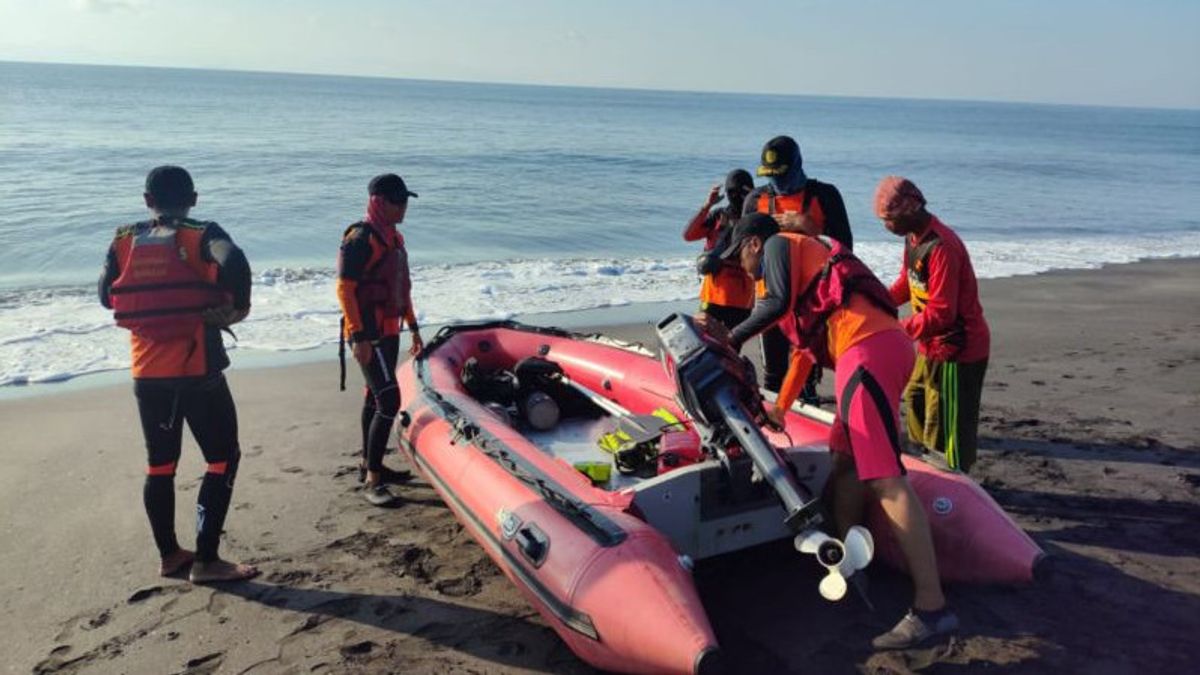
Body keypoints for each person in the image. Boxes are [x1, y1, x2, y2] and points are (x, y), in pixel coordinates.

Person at [698, 213, 958, 649]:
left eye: (738, 256)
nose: (741, 269)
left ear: (753, 245)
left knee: (885, 478)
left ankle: (931, 608)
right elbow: (803, 352)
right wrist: (779, 409)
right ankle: (847, 563)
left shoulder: (781, 243)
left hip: (867, 351)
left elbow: (776, 302)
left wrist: (732, 338)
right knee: (844, 463)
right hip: (872, 351)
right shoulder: (806, 273)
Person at [99, 165, 257, 583]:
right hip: (196, 370)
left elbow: (105, 294)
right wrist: (237, 306)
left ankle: (170, 556)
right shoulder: (202, 232)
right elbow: (235, 261)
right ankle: (207, 560)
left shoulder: (123, 239)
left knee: (161, 466)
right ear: (194, 198)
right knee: (223, 458)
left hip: (147, 375)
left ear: (147, 201)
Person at [877, 176, 990, 473]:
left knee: (946, 426)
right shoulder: (914, 238)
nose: (886, 227)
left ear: (910, 209)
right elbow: (909, 281)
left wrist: (896, 331)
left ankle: (955, 483)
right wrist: (878, 303)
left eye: (890, 220)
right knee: (915, 402)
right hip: (929, 344)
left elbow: (942, 312)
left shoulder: (941, 247)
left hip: (958, 350)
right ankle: (923, 472)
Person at [743, 135, 853, 403]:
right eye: (771, 176)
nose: (777, 183)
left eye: (782, 175)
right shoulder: (755, 200)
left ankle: (806, 408)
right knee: (773, 372)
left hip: (811, 304)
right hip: (769, 299)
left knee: (805, 372)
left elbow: (846, 252)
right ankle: (773, 421)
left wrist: (810, 228)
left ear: (798, 165)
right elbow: (744, 254)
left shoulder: (824, 195)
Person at [336, 173, 423, 507]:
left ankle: (370, 465)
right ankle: (373, 480)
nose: (403, 207)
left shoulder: (394, 239)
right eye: (397, 201)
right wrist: (358, 336)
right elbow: (345, 288)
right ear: (378, 202)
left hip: (389, 331)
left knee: (375, 398)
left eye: (405, 201)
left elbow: (403, 288)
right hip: (367, 334)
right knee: (389, 401)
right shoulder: (360, 238)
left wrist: (413, 327)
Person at [683, 169, 755, 331]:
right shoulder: (718, 216)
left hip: (742, 300)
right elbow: (688, 235)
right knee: (705, 343)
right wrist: (707, 205)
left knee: (730, 348)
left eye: (742, 191)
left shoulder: (755, 221)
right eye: (732, 191)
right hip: (713, 296)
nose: (737, 196)